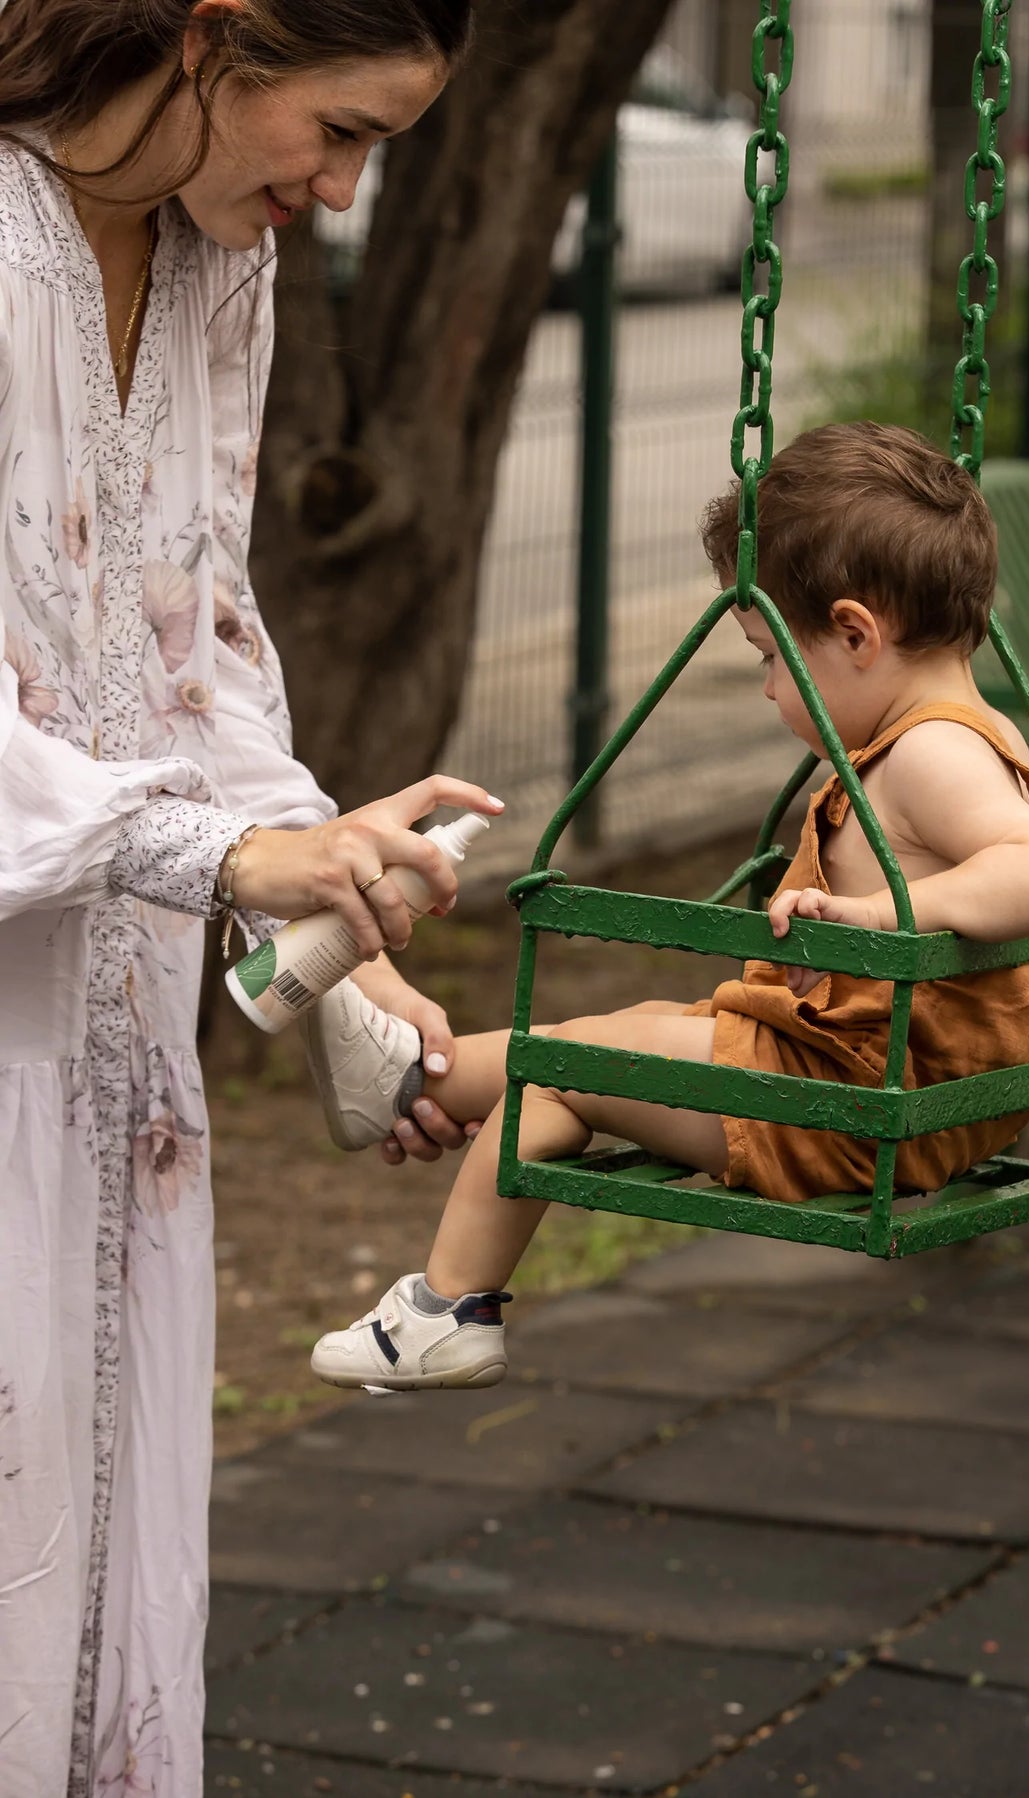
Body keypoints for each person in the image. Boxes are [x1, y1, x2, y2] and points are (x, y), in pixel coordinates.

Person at [0, 2, 499, 1792]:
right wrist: (215, 855)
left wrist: (334, 954)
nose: (347, 194)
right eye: (341, 129)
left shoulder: (223, 259)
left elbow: (195, 646)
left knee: (107, 1539)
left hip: (119, 1053)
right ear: (214, 42)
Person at [309, 421, 1029, 1393]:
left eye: (770, 655)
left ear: (855, 634)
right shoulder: (959, 735)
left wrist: (887, 915)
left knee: (562, 1070)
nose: (768, 687)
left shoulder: (935, 753)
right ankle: (403, 1079)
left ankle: (445, 1308)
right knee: (627, 1029)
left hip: (845, 1109)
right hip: (837, 1075)